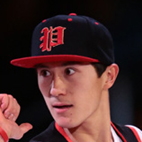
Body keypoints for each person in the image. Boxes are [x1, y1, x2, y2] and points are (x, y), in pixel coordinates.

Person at [0, 13, 142, 142]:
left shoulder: (136, 136)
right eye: (45, 73)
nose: (55, 89)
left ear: (109, 76)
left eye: (69, 71)